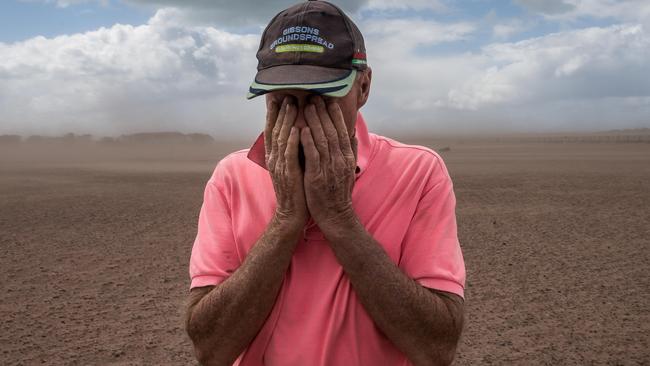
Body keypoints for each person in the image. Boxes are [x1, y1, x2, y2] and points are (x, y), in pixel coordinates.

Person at [184, 1, 466, 365]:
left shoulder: (419, 172)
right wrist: (286, 219)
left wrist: (338, 217)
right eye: (284, 100)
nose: (301, 121)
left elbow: (437, 347)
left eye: (321, 98)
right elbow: (210, 348)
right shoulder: (231, 177)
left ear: (363, 87)